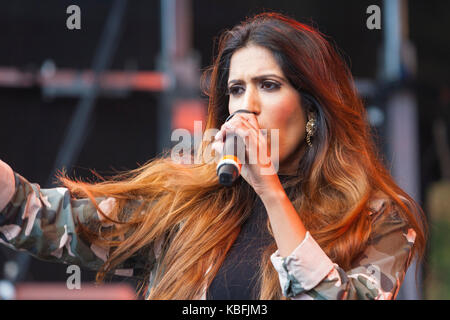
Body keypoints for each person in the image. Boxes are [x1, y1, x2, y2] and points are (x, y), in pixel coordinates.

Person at [0, 12, 427, 300]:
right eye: (237, 90)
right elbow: (56, 222)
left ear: (312, 109)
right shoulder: (188, 203)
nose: (247, 106)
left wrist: (271, 193)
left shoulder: (377, 219)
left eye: (270, 85)